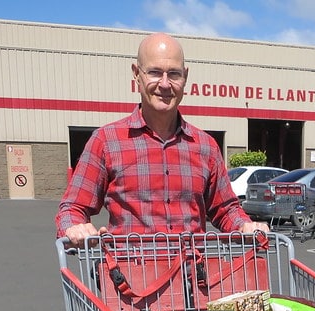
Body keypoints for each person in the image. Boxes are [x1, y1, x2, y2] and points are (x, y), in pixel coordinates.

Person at [56, 32, 268, 247]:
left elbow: (226, 209)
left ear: (185, 76)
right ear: (137, 74)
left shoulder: (205, 146)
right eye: (155, 72)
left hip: (194, 276)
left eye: (174, 74)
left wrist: (244, 225)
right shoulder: (106, 142)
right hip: (130, 276)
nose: (165, 84)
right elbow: (73, 208)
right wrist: (75, 227)